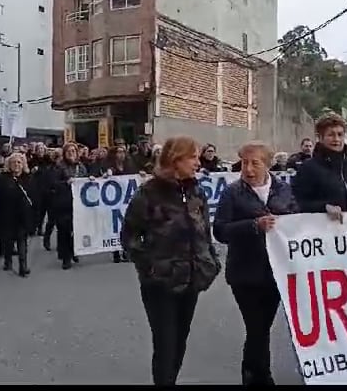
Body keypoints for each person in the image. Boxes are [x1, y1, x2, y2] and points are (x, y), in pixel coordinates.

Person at [121, 136, 222, 385]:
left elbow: (204, 230)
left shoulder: (196, 190)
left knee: (179, 342)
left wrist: (211, 259)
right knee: (165, 345)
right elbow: (130, 236)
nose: (198, 163)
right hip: (161, 283)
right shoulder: (150, 192)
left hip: (192, 278)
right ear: (175, 159)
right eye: (193, 157)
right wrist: (151, 267)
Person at [213, 141, 297, 385]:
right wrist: (252, 226)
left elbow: (296, 218)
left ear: (268, 164)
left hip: (275, 272)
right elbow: (220, 230)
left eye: (255, 163)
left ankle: (252, 372)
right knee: (256, 327)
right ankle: (259, 376)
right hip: (245, 273)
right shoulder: (232, 192)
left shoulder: (283, 190)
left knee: (261, 329)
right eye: (244, 163)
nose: (248, 169)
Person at [291, 113, 347, 223]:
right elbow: (297, 202)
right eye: (331, 135)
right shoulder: (308, 168)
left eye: (340, 134)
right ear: (320, 138)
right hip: (321, 232)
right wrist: (324, 207)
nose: (336, 139)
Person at [0, 153, 34, 277]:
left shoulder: (28, 178)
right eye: (13, 162)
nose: (16, 165)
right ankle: (8, 260)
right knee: (8, 240)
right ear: (9, 165)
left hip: (23, 215)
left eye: (19, 162)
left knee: (22, 241)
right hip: (7, 214)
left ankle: (23, 266)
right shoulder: (3, 178)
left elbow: (34, 196)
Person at [49, 143, 87, 269]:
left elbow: (85, 181)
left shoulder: (81, 167)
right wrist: (66, 182)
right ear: (64, 154)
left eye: (73, 151)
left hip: (77, 204)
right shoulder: (59, 167)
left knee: (75, 230)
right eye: (68, 151)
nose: (71, 153)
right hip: (63, 203)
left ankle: (73, 250)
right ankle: (65, 257)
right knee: (64, 231)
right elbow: (53, 184)